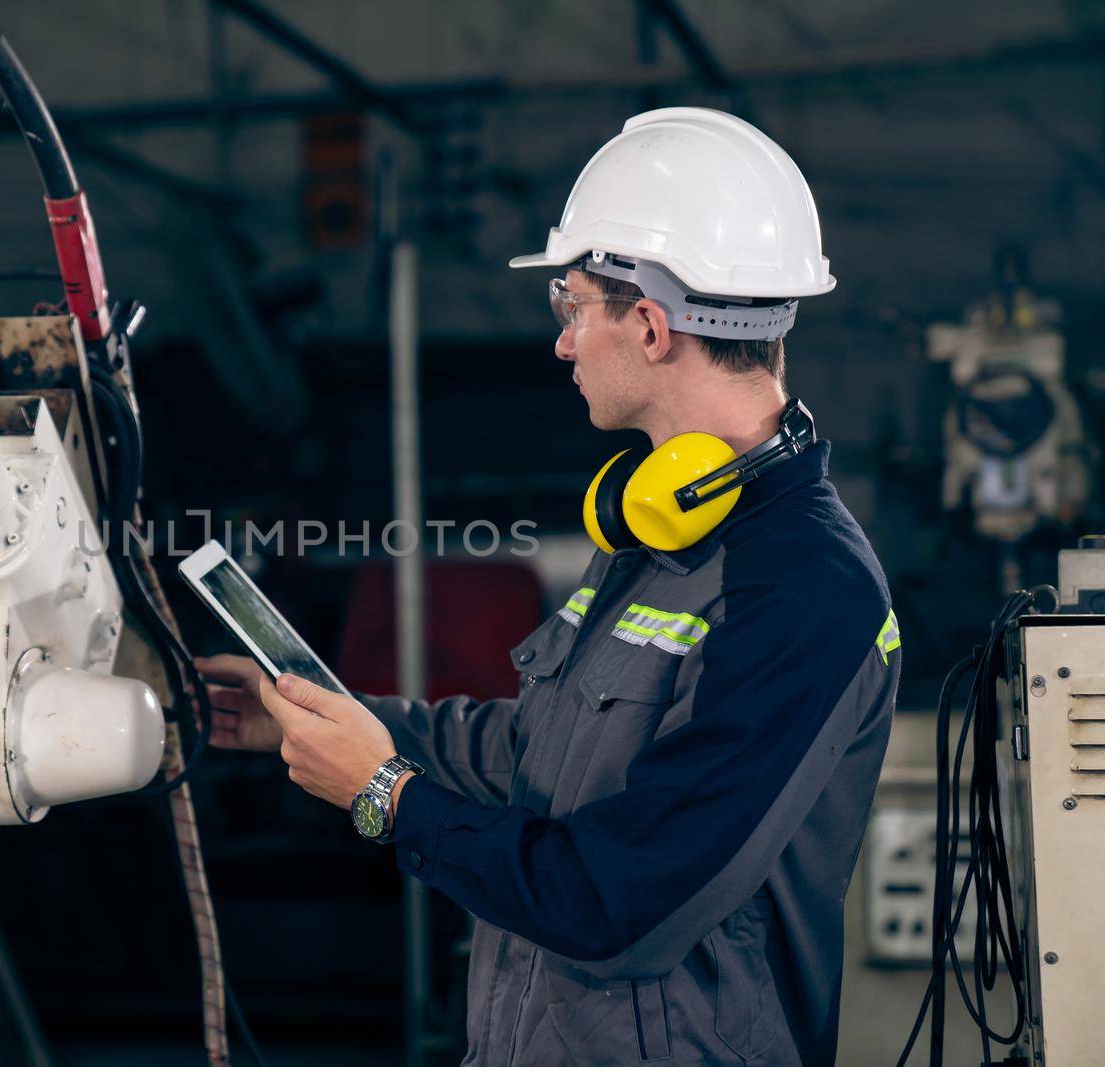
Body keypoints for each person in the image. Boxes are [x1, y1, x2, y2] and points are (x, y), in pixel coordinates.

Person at [198, 107, 899, 1066]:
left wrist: (384, 793)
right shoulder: (659, 526)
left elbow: (617, 901)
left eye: (573, 306)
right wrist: (324, 713)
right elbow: (531, 751)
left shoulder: (804, 588)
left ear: (650, 326)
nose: (563, 343)